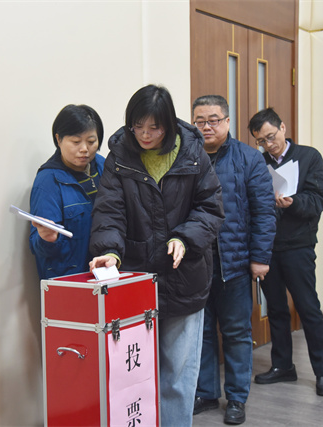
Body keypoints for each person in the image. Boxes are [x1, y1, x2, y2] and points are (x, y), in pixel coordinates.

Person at [89, 85, 225, 426]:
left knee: (177, 377)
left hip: (185, 278)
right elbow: (109, 211)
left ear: (169, 125)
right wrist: (109, 251)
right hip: (137, 281)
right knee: (135, 374)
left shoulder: (193, 153)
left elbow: (211, 208)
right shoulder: (120, 156)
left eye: (154, 127)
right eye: (138, 126)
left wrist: (185, 237)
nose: (145, 135)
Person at [191, 96, 276, 424]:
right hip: (197, 264)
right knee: (202, 332)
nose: (207, 126)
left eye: (213, 120)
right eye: (200, 121)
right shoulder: (187, 157)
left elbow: (264, 212)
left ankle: (237, 397)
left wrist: (260, 258)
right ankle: (206, 392)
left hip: (236, 264)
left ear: (227, 121)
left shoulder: (248, 158)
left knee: (237, 332)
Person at [248, 107, 323, 396]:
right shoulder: (259, 163)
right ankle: (283, 366)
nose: (268, 144)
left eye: (271, 136)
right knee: (276, 309)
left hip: (298, 246)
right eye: (261, 141)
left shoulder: (309, 157)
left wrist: (293, 202)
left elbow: (319, 199)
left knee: (308, 308)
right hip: (267, 248)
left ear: (283, 128)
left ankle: (322, 373)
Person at [29, 104, 105, 280]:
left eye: (91, 141)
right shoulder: (48, 181)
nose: (84, 149)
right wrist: (48, 239)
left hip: (104, 275)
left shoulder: (103, 166)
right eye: (76, 142)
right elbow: (36, 246)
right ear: (59, 139)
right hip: (70, 281)